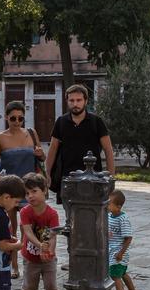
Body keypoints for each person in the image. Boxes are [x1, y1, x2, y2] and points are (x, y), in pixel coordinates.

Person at [0, 101, 44, 280]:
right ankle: (14, 265)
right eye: (13, 118)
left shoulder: (31, 133)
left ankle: (32, 260)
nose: (17, 121)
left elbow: (42, 157)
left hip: (30, 188)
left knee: (30, 226)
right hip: (9, 187)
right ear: (6, 117)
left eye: (20, 118)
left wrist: (40, 154)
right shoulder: (0, 138)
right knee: (10, 227)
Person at [45, 84, 115, 228]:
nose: (75, 104)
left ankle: (89, 248)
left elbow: (108, 150)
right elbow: (52, 150)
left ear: (85, 101)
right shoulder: (61, 122)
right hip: (67, 178)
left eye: (78, 100)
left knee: (92, 218)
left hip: (94, 179)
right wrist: (47, 173)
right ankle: (73, 249)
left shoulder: (96, 122)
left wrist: (111, 176)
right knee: (70, 220)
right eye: (72, 100)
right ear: (67, 101)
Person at [17, 173, 60, 290]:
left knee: (51, 286)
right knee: (29, 288)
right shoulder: (25, 212)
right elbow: (27, 232)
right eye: (27, 193)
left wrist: (49, 250)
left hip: (48, 258)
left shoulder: (52, 214)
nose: (30, 196)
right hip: (30, 258)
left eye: (34, 191)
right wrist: (40, 245)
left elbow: (53, 236)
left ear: (44, 191)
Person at [108, 190, 140, 290]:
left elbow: (128, 238)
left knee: (115, 276)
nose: (106, 205)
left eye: (109, 203)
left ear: (118, 206)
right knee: (123, 273)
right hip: (112, 251)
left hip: (118, 253)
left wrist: (121, 252)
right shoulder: (110, 215)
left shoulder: (123, 219)